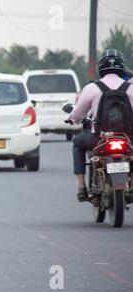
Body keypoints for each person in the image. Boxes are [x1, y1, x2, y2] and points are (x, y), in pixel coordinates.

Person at [68, 49, 133, 201]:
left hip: (99, 138)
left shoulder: (92, 88)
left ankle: (81, 186)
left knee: (77, 143)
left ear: (101, 67)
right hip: (128, 138)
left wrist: (72, 119)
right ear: (122, 67)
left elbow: (77, 115)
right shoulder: (130, 87)